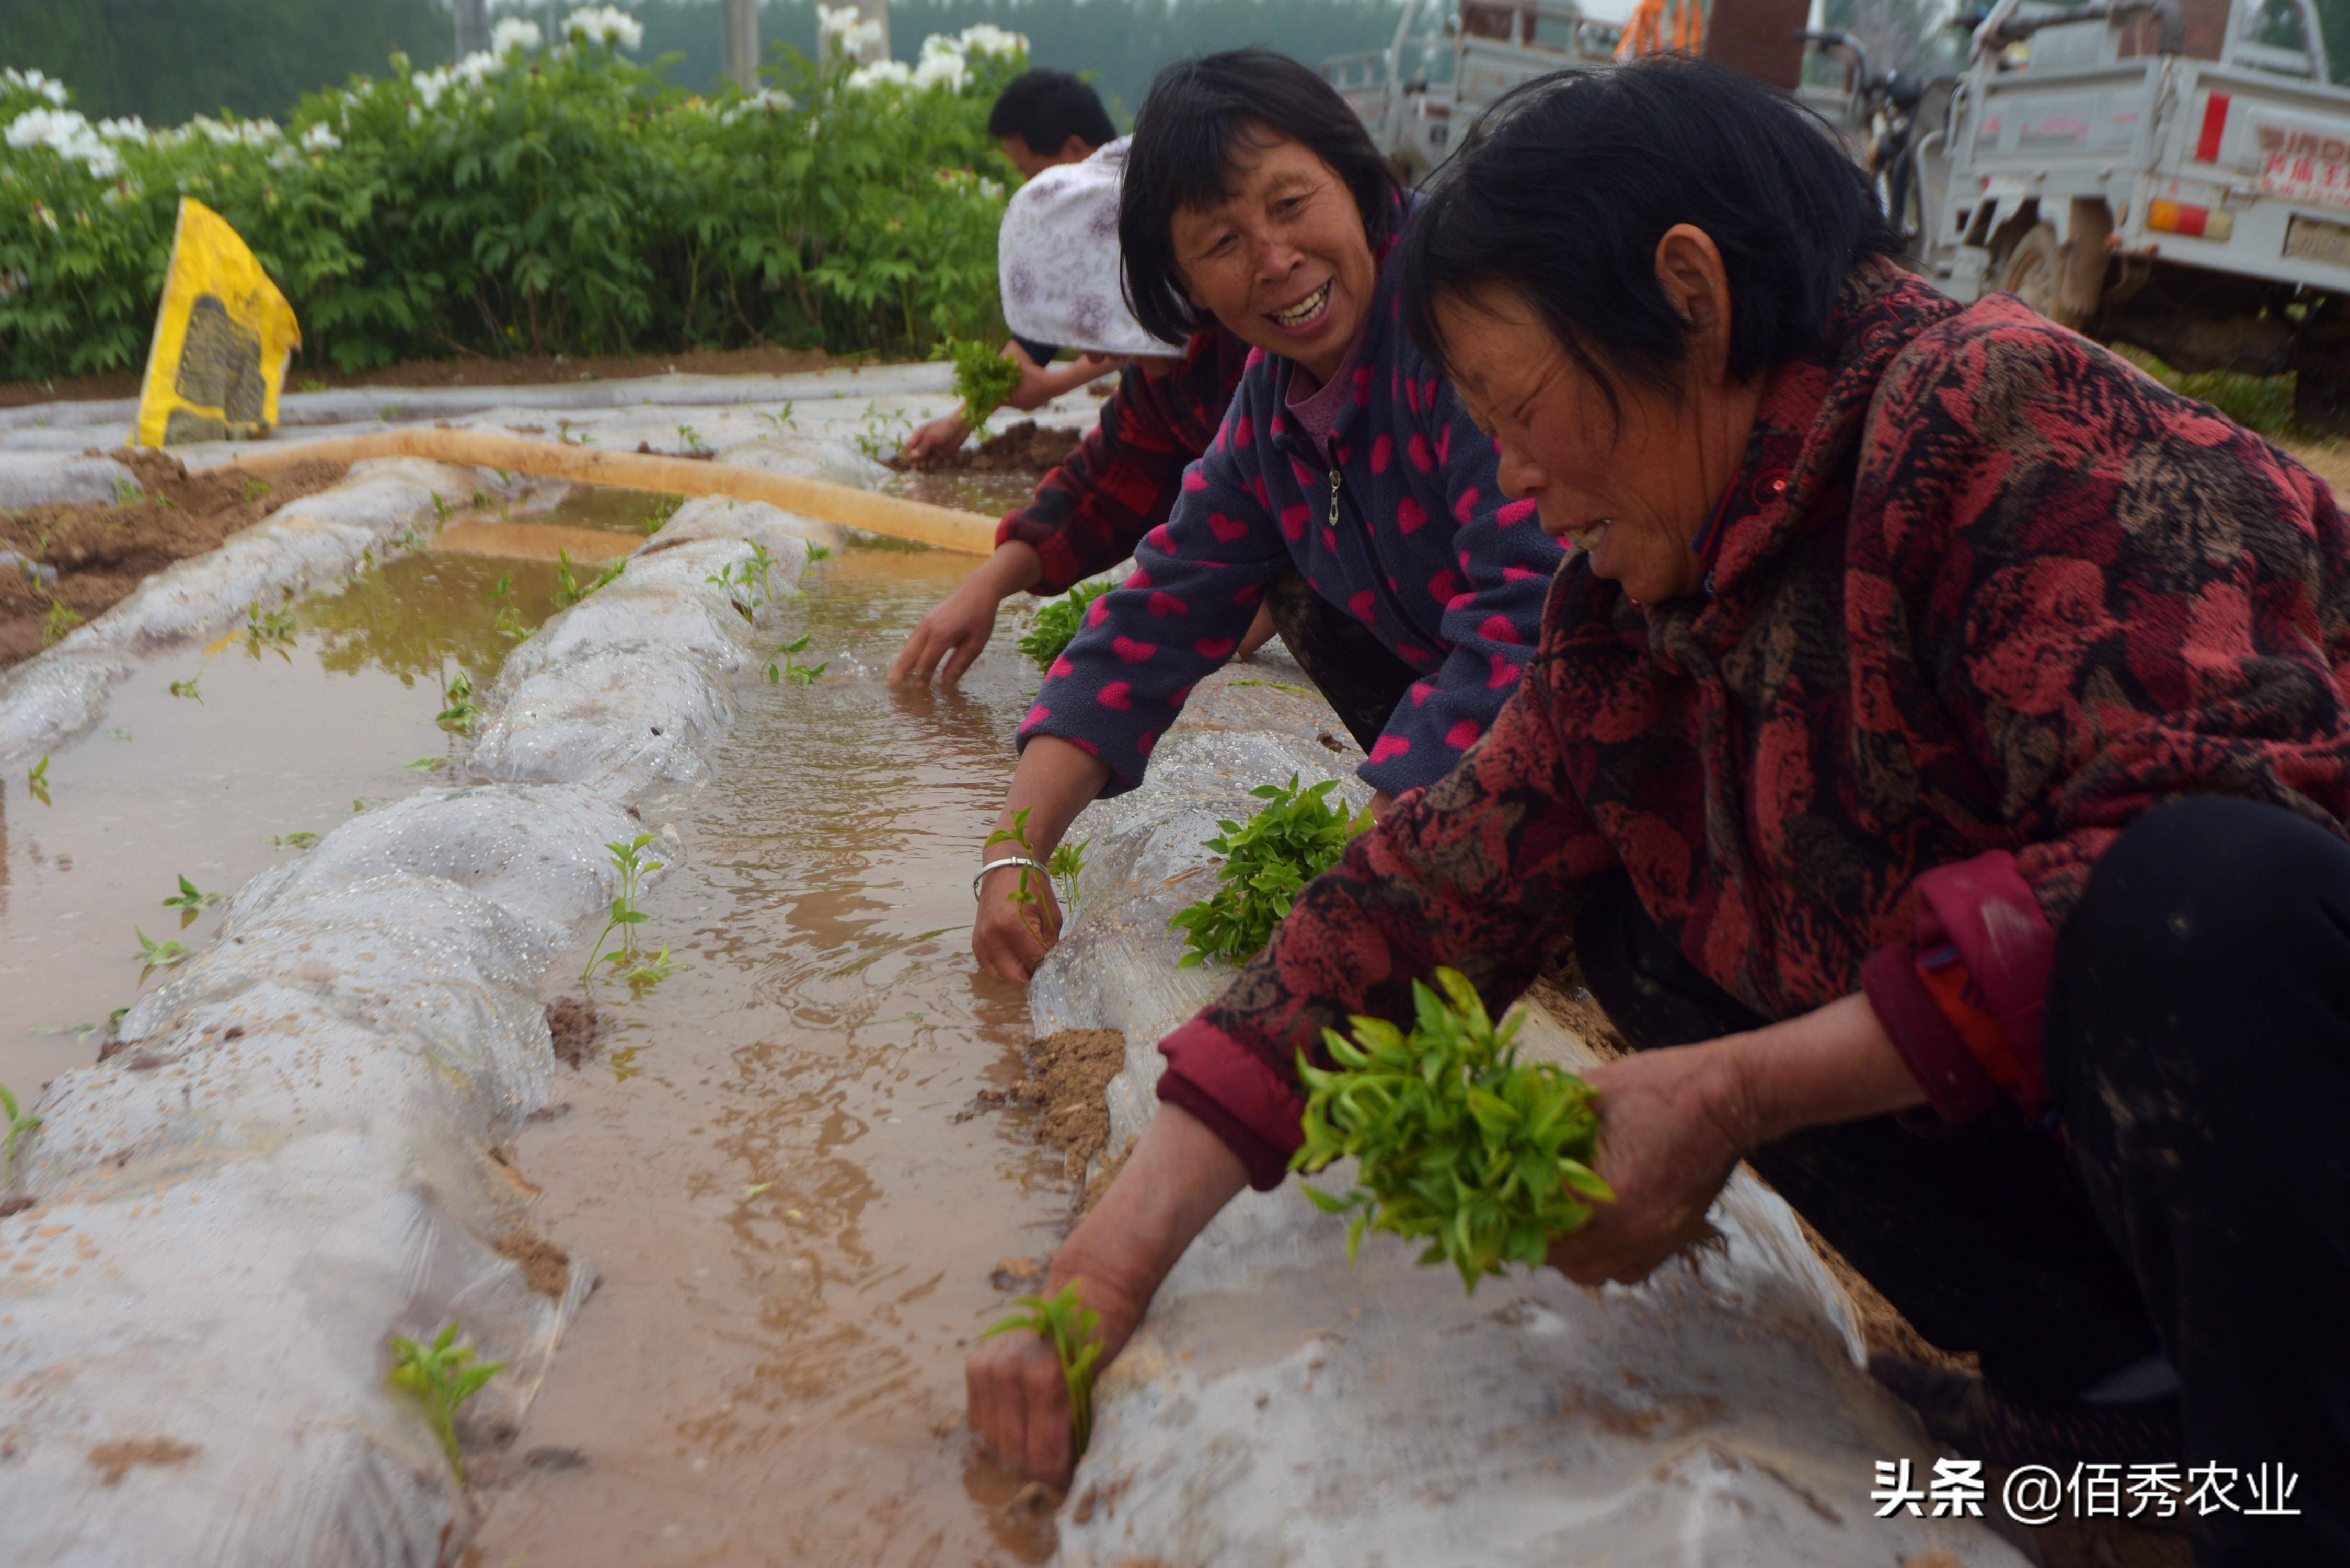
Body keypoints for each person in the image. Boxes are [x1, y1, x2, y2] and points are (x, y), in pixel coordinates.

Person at [964, 60, 2350, 1567]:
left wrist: (1733, 1095)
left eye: (1520, 411)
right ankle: (2121, 1429)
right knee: (1641, 913)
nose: (1513, 477)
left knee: (2201, 900)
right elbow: (1426, 890)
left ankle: (2292, 1507)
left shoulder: (2014, 424)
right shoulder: (1648, 591)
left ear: (1687, 297)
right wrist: (1105, 1268)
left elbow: (2239, 866)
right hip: (2134, 1174)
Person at [967, 50, 1565, 985]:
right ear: (1188, 289)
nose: (1275, 260)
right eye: (1221, 243)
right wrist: (1016, 847)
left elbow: (1535, 618)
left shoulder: (1463, 323)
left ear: (1357, 180)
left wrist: (1373, 864)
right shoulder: (1269, 404)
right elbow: (1155, 613)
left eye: (1291, 206)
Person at [891, 137, 1261, 686]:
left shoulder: (1260, 346)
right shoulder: (1160, 386)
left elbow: (1303, 508)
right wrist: (986, 586)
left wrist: (1242, 619)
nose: (1092, 358)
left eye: (1101, 327)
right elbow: (1100, 492)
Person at [902, 70, 1122, 464]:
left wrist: (1055, 385)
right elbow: (1033, 342)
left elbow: (1158, 336)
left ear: (1075, 152)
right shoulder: (1076, 227)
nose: (1030, 188)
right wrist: (962, 421)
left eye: (1030, 172)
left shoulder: (1148, 203)